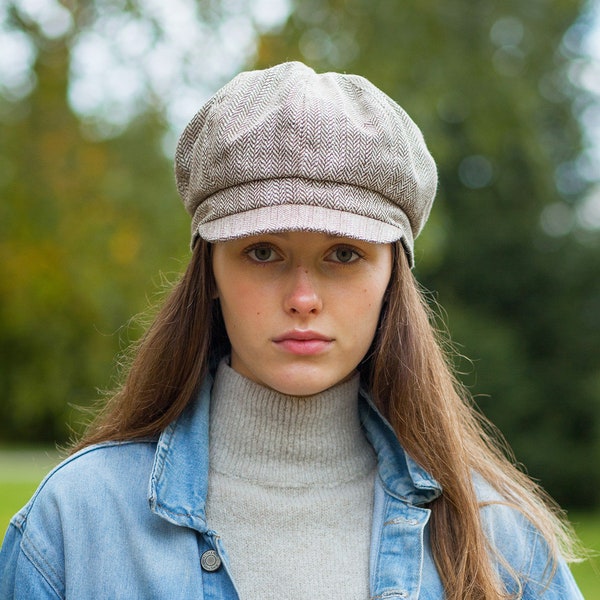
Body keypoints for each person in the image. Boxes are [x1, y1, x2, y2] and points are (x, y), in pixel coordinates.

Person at [0, 61, 584, 599]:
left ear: (392, 281)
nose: (303, 299)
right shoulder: (75, 525)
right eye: (261, 252)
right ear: (209, 273)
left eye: (344, 255)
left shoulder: (503, 544)